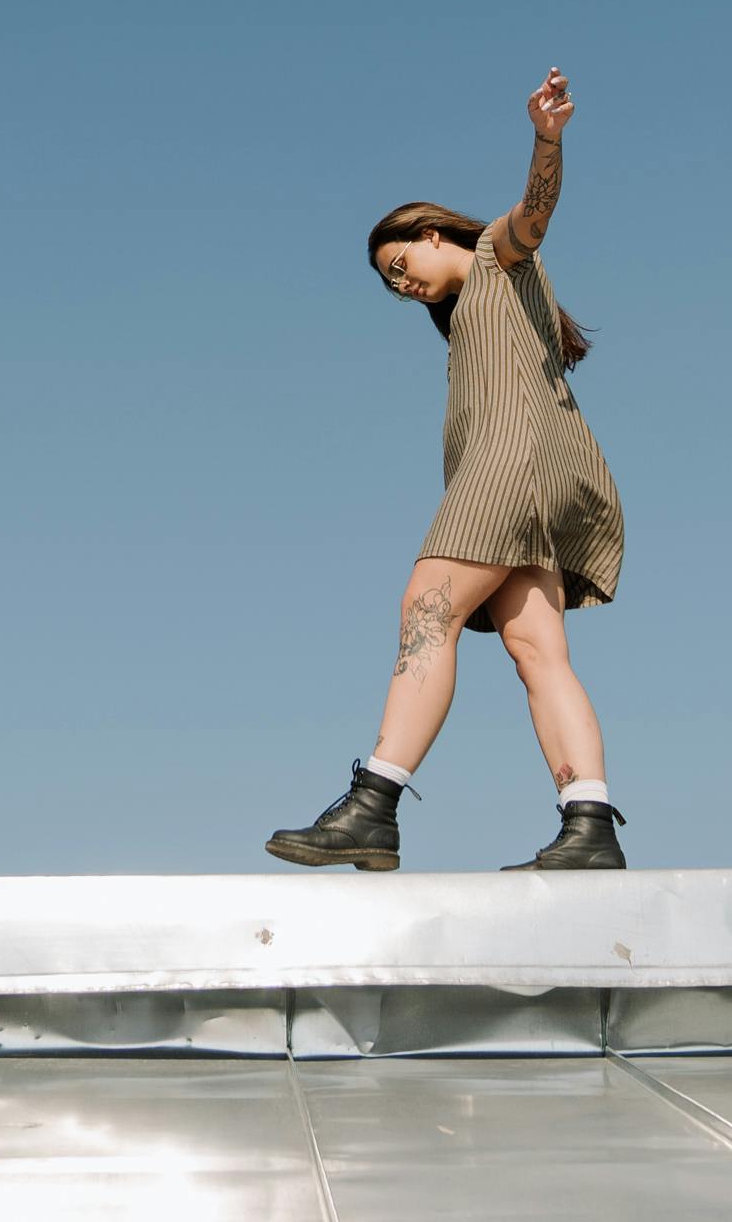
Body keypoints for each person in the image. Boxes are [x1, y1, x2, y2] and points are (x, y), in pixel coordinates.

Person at [266, 68, 629, 872]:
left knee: (426, 604)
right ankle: (591, 823)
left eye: (402, 263)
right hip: (550, 472)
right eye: (390, 282)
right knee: (539, 650)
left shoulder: (500, 264)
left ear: (436, 233)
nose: (402, 284)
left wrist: (545, 138)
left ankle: (375, 803)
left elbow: (535, 214)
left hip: (513, 466)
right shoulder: (472, 316)